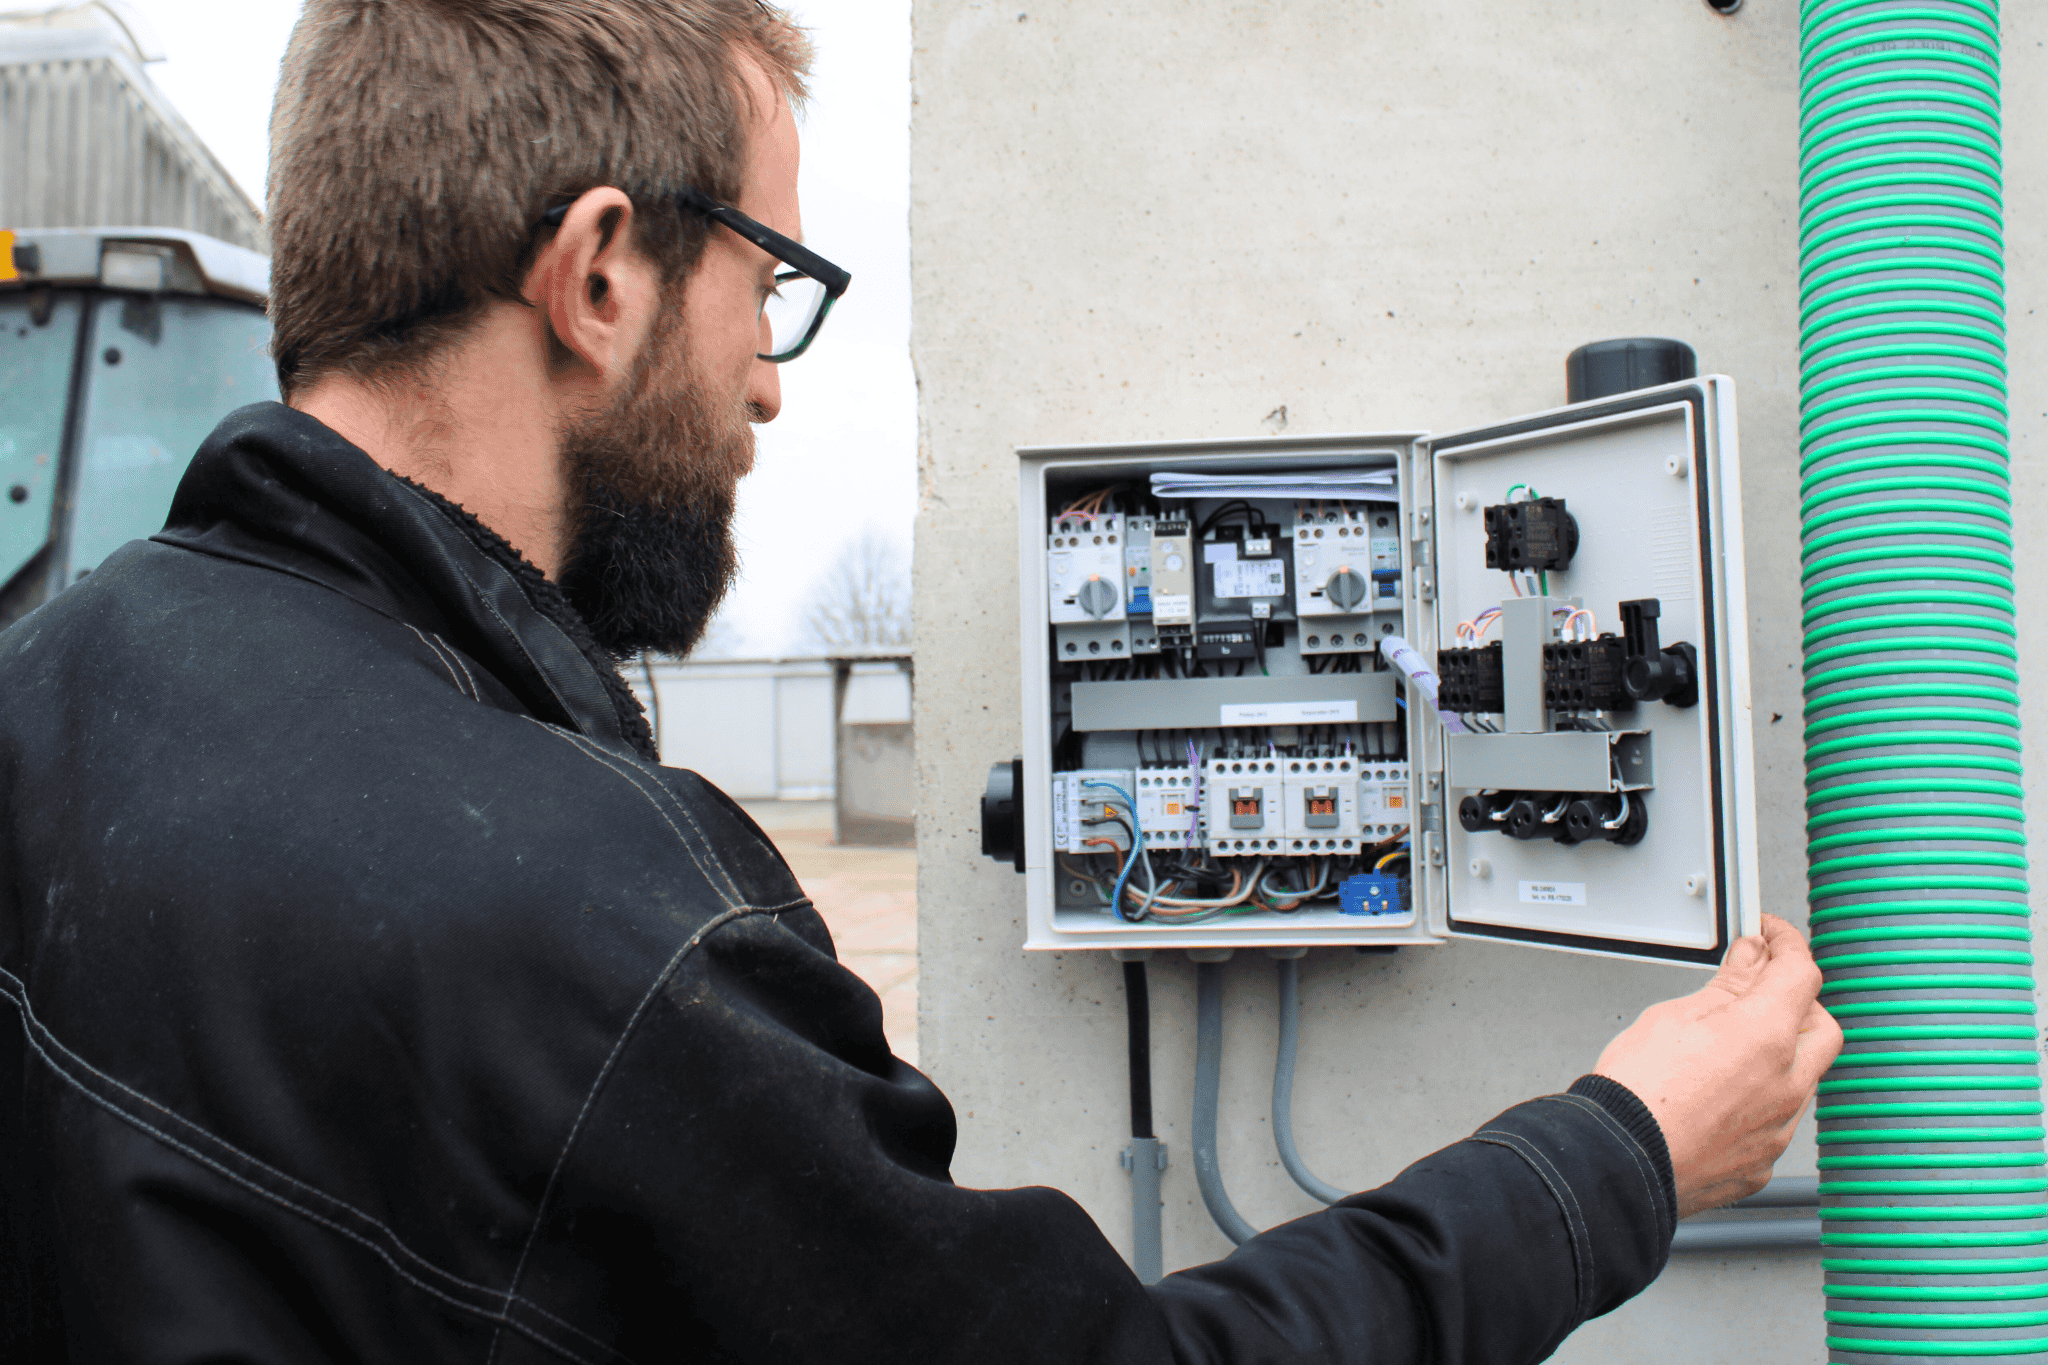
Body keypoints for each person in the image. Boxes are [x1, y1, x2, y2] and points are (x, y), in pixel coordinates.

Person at [0, 1, 1841, 1360]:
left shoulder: (48, 685)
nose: (769, 379)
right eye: (770, 285)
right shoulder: (614, 939)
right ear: (600, 279)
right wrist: (1619, 1158)